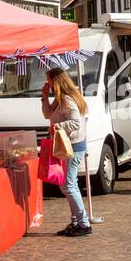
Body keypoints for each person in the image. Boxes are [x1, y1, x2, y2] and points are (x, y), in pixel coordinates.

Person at [41, 67, 92, 237]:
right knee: (68, 184)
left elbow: (76, 123)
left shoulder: (67, 99)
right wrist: (44, 97)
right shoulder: (58, 99)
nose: (47, 82)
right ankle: (76, 222)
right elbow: (47, 114)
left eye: (48, 80)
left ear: (55, 81)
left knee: (68, 185)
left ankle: (83, 223)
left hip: (73, 147)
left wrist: (59, 126)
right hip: (66, 147)